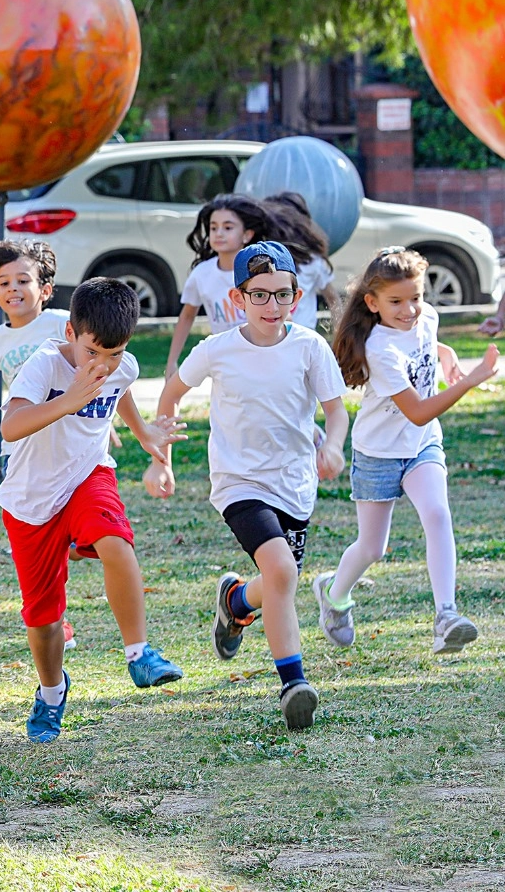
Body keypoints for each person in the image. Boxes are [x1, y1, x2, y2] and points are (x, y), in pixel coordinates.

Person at [149, 241, 349, 731]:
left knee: (280, 580)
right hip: (239, 482)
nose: (271, 307)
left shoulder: (310, 347)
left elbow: (336, 411)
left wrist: (335, 446)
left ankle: (236, 603)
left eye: (282, 295)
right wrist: (162, 460)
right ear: (237, 299)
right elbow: (171, 397)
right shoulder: (217, 350)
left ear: (297, 297)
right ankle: (293, 684)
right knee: (281, 569)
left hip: (296, 484)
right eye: (259, 296)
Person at [0, 278, 185, 744]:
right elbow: (10, 425)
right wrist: (68, 400)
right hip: (31, 501)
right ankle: (52, 691)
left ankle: (139, 653)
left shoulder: (124, 366)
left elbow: (120, 390)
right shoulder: (44, 367)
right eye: (92, 352)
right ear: (69, 333)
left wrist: (145, 436)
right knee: (42, 620)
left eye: (115, 353)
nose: (102, 365)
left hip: (88, 475)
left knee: (117, 543)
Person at [316, 247, 499, 654]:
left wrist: (447, 357)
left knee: (437, 513)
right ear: (372, 303)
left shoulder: (427, 316)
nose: (410, 309)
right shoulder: (379, 348)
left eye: (415, 297)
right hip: (378, 452)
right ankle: (334, 595)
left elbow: (429, 343)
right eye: (396, 302)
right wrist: (467, 383)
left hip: (421, 445)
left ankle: (446, 616)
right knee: (372, 548)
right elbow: (416, 411)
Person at [0, 239, 78, 651]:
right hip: (24, 450)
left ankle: (70, 571)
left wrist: (102, 420)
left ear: (44, 289)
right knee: (41, 536)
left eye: (23, 280)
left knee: (72, 528)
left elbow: (97, 364)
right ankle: (57, 616)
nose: (13, 289)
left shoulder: (64, 324)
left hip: (70, 444)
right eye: (4, 282)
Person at [166, 193, 273, 377]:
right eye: (213, 228)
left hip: (264, 357)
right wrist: (171, 362)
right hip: (223, 360)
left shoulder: (262, 270)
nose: (219, 233)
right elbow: (186, 316)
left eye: (228, 227)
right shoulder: (201, 273)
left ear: (247, 235)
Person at [262, 191, 340, 328]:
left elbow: (332, 298)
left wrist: (341, 338)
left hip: (302, 339)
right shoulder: (259, 259)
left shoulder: (312, 260)